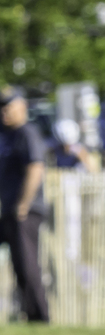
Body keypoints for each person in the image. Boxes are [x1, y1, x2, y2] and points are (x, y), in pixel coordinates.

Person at [0, 87, 49, 322]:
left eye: (8, 107)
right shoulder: (4, 134)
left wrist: (23, 204)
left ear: (22, 107)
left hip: (24, 211)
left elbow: (35, 168)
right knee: (18, 266)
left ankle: (39, 317)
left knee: (28, 265)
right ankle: (29, 315)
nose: (4, 113)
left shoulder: (26, 133)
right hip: (8, 209)